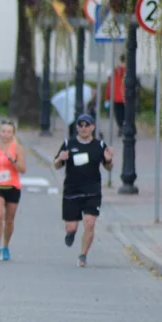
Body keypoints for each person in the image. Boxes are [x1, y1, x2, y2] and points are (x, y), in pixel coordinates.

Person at [53, 113, 114, 267]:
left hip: (92, 190)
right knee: (72, 226)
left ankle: (83, 255)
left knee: (90, 222)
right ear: (77, 128)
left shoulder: (99, 146)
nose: (84, 128)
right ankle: (70, 233)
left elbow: (109, 167)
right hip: (72, 190)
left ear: (93, 127)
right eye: (80, 125)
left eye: (87, 125)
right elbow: (56, 165)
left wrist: (108, 160)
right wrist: (60, 158)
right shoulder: (68, 144)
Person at [0, 119, 26, 261]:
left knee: (9, 220)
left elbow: (23, 169)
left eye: (9, 132)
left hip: (13, 186)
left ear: (13, 134)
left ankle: (6, 246)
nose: (5, 134)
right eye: (3, 131)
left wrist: (13, 160)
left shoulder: (17, 148)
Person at [104, 52, 127, 135]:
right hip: (124, 97)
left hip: (117, 97)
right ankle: (123, 127)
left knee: (119, 114)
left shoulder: (114, 72)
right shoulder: (127, 72)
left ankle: (121, 127)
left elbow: (110, 85)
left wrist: (107, 97)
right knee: (124, 114)